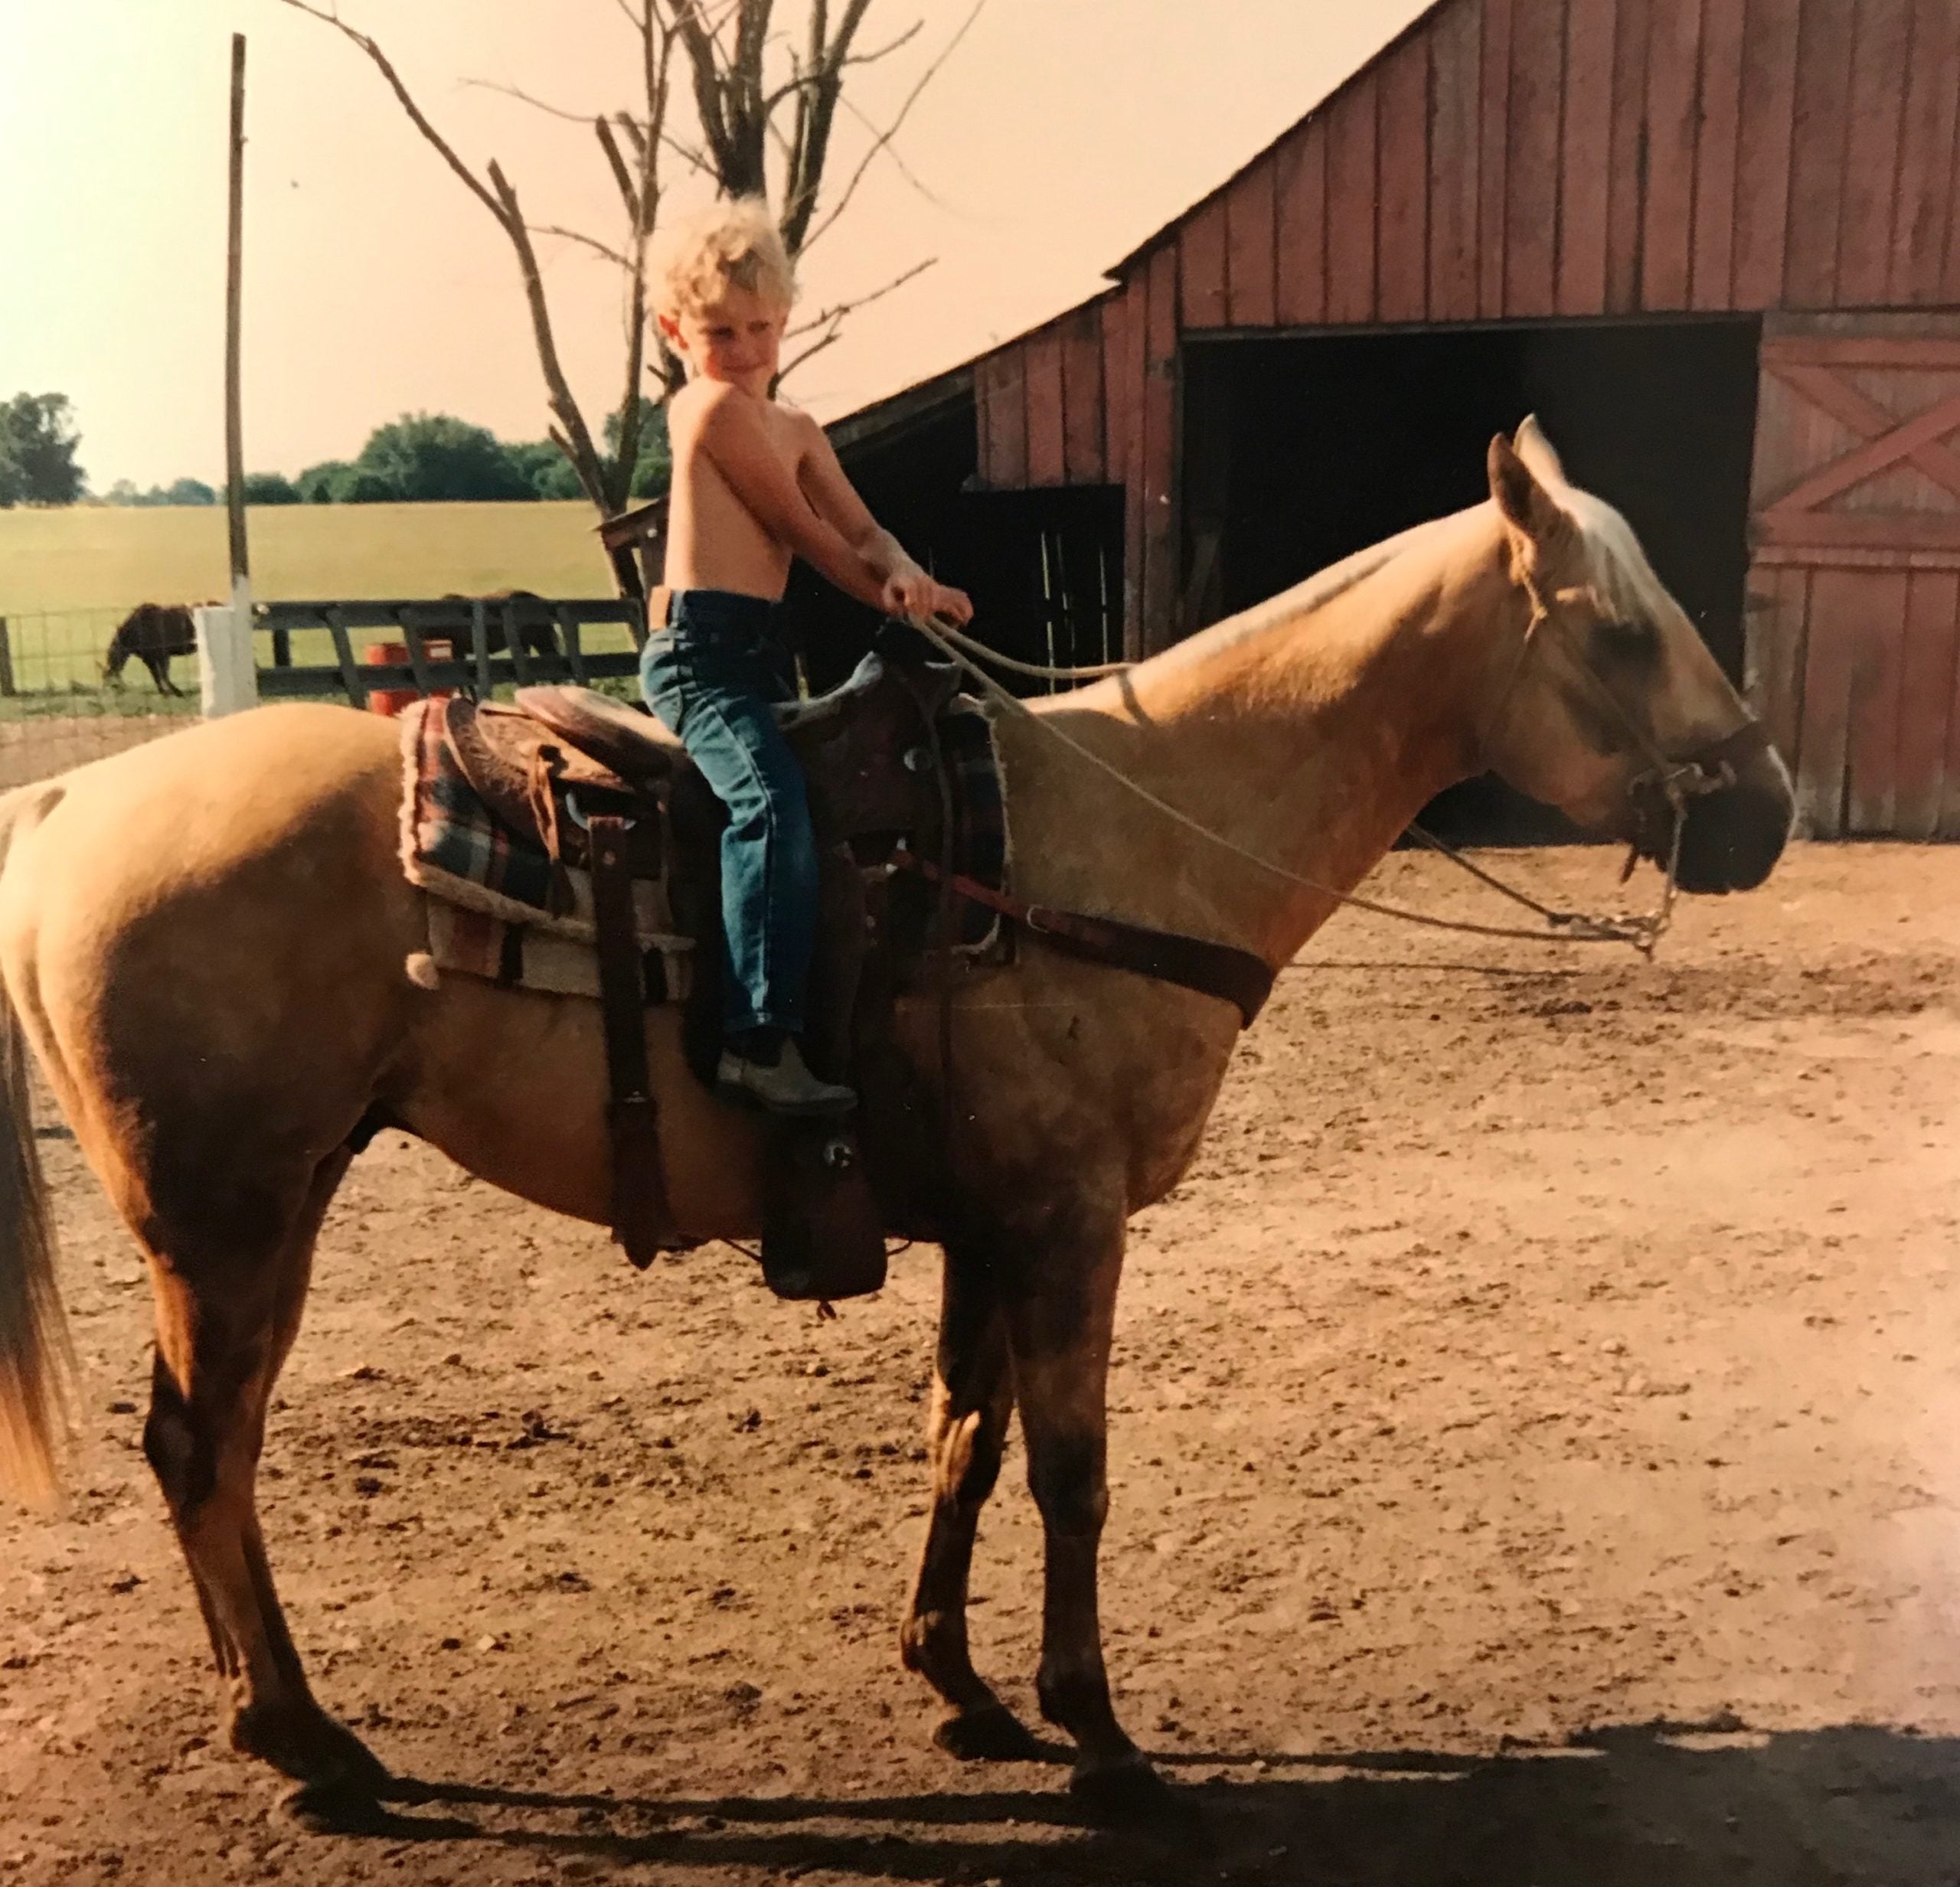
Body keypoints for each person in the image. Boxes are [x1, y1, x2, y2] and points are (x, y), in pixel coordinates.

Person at [644, 198, 974, 1118]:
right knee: (769, 806)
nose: (744, 350)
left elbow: (864, 526)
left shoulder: (798, 428)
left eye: (759, 328)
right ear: (674, 331)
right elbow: (808, 535)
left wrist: (910, 573)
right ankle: (755, 1037)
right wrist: (884, 594)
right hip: (699, 657)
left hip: (757, 659)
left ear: (786, 321)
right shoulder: (704, 408)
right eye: (719, 331)